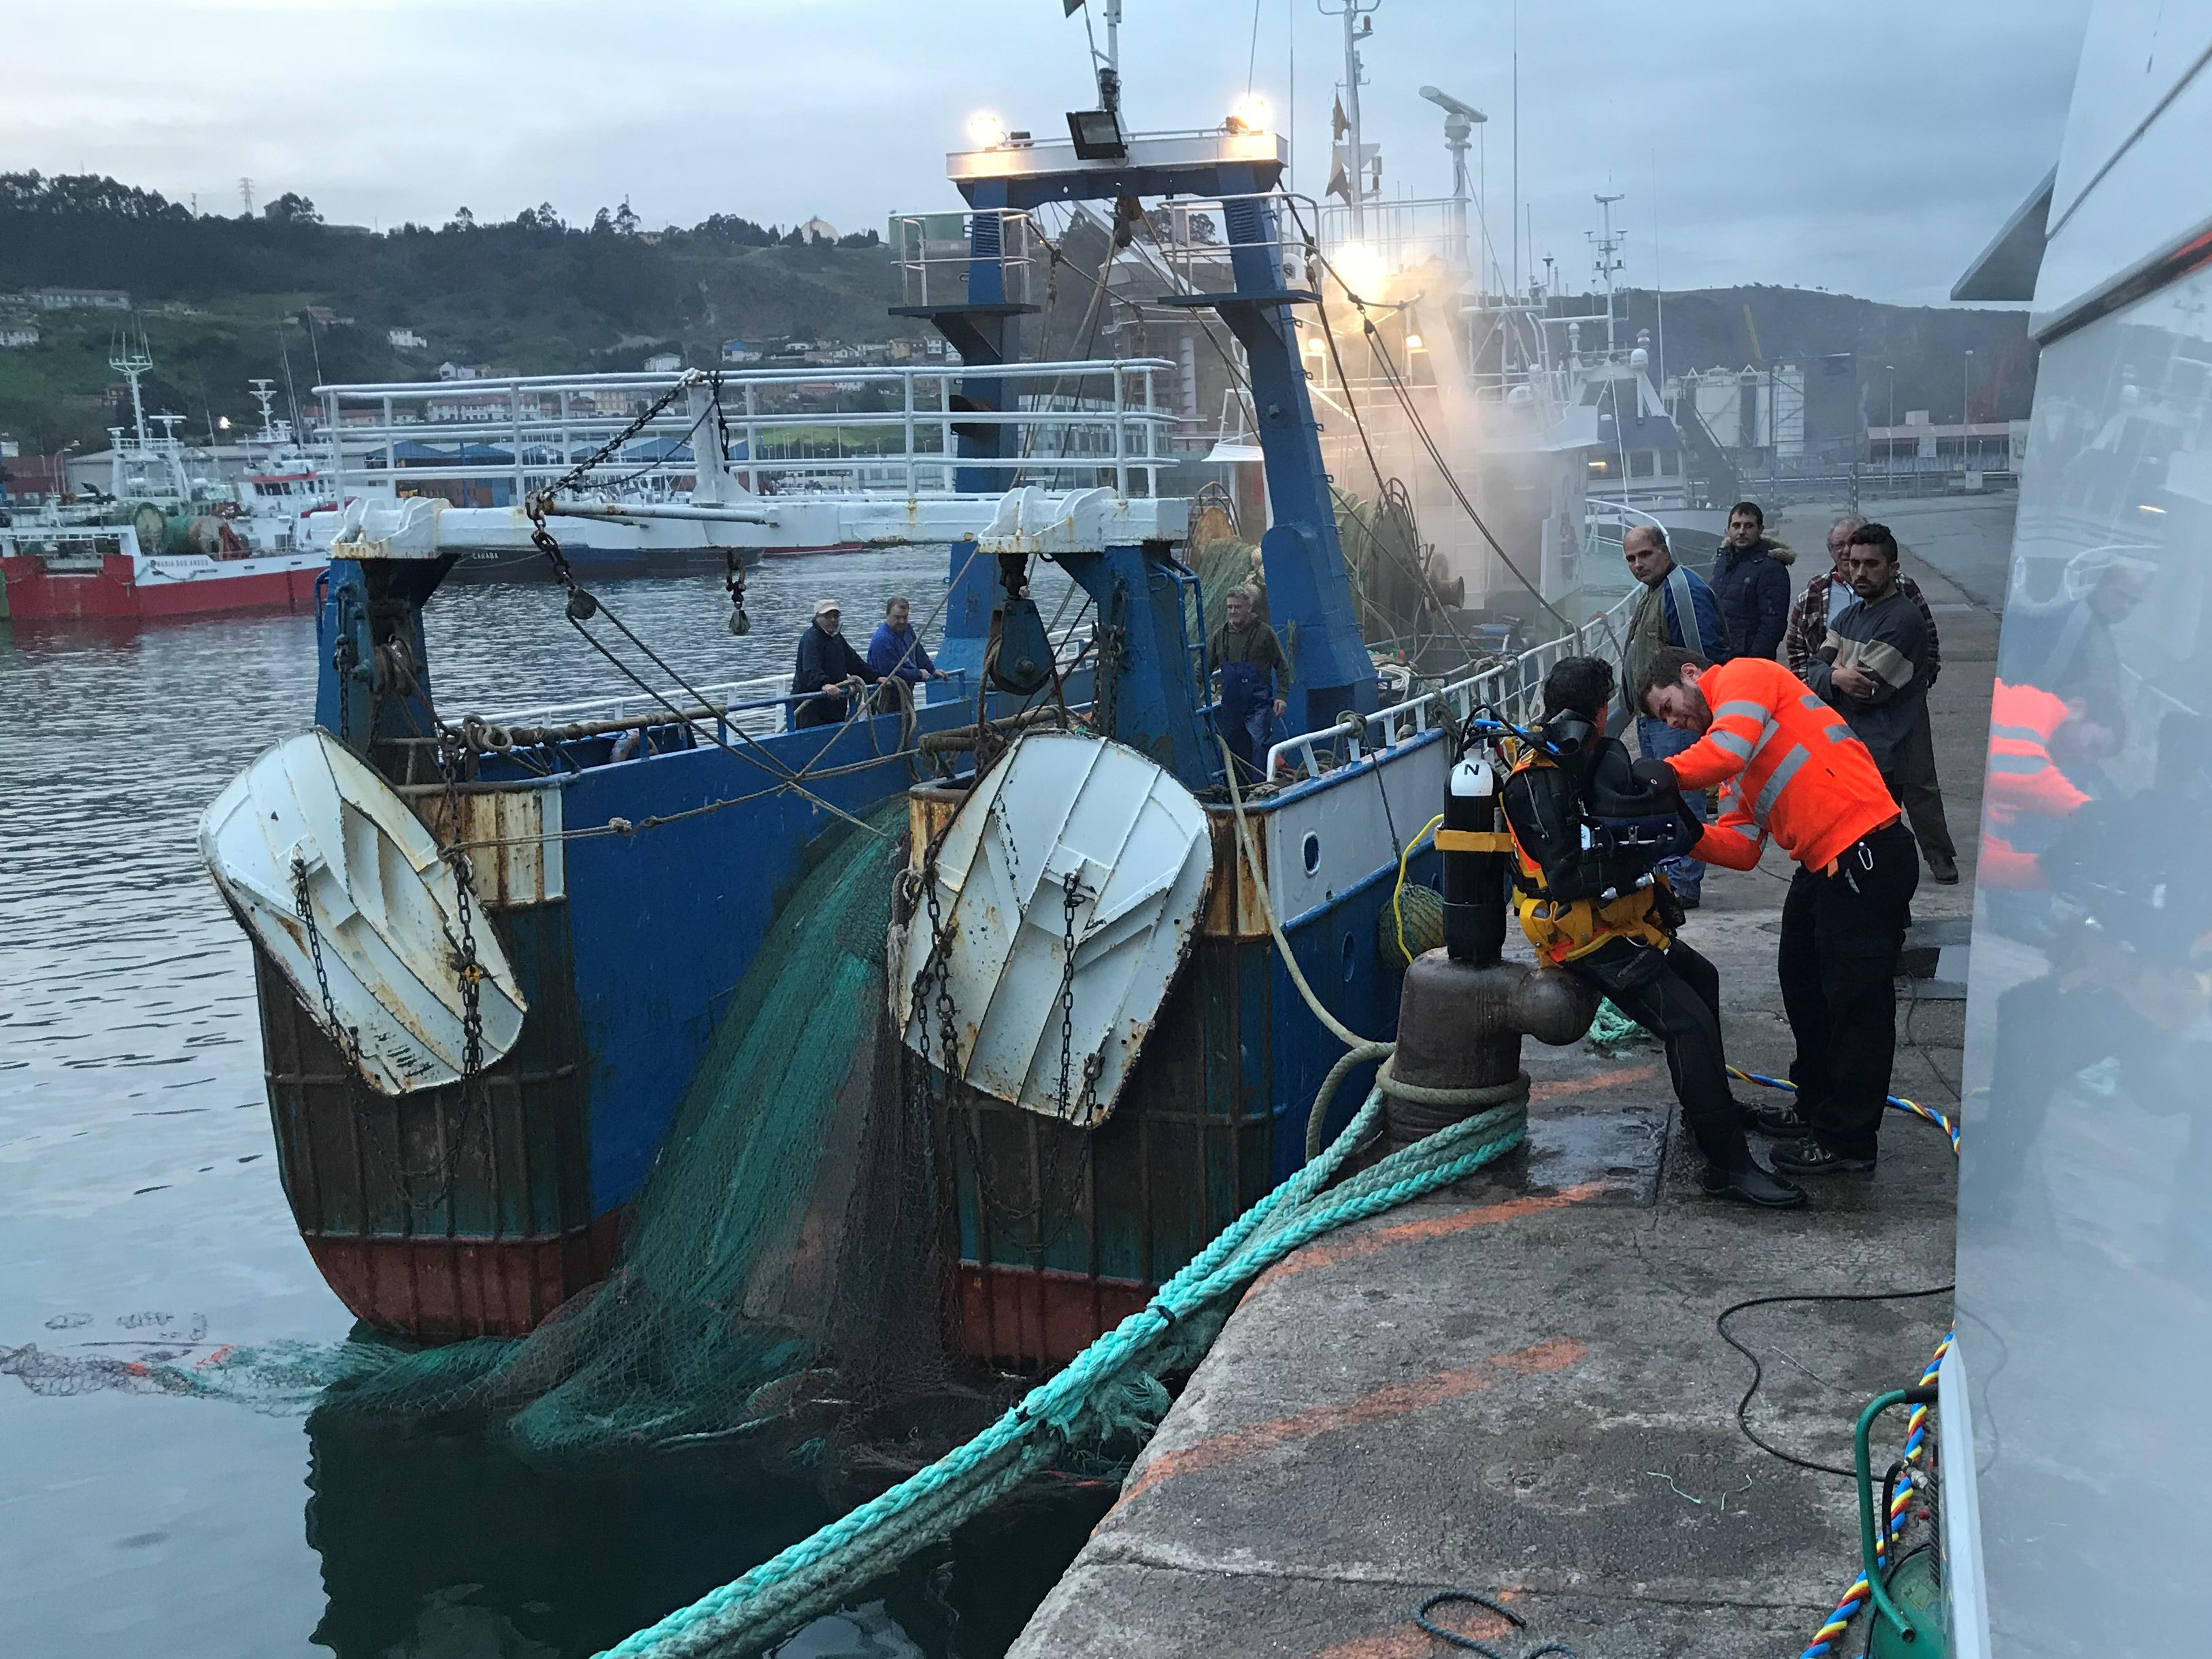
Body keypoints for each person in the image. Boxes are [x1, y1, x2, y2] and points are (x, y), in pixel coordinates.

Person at [1503, 656, 1804, 1208]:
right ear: (1599, 713)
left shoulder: (1587, 758)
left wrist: (1655, 829)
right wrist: (1642, 849)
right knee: (1684, 1022)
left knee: (1702, 979)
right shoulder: (1538, 776)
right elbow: (1566, 872)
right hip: (1580, 937)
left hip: (1616, 920)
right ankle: (1729, 1165)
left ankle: (1708, 1112)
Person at [1637, 645, 1918, 1177]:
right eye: (1663, 719)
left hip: (1865, 848)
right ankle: (1815, 1106)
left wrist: (1655, 778)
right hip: (1825, 862)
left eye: (1669, 706)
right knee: (1804, 984)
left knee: (1855, 1004)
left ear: (1691, 674)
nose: (1673, 722)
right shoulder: (1735, 754)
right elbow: (1743, 848)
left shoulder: (1744, 678)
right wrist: (1685, 833)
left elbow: (1725, 752)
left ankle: (1849, 1139)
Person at [1804, 522, 1959, 883]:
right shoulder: (1848, 617)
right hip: (1860, 744)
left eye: (1871, 564)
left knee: (1908, 812)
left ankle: (1936, 862)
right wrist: (1836, 675)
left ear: (1893, 568)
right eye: (1854, 563)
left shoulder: (1903, 620)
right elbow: (1814, 670)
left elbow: (1868, 689)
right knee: (1868, 835)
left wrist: (1834, 673)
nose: (1860, 572)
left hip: (1896, 742)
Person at [1622, 523, 1728, 908]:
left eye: (1645, 555)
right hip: (1655, 717)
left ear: (1664, 550)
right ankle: (1673, 878)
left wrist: (1703, 715)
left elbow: (1701, 658)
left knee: (1684, 795)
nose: (1638, 565)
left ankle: (1685, 883)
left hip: (1679, 716)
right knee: (1663, 796)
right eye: (1631, 559)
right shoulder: (1655, 591)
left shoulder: (1681, 590)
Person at [1784, 515, 1942, 688]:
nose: (1846, 550)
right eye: (1839, 545)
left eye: (1852, 543)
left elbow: (1929, 640)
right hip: (1825, 704)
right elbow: (1797, 650)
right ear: (1830, 550)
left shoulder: (1903, 590)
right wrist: (1816, 690)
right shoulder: (1814, 594)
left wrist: (1919, 684)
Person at [1211, 584, 1291, 780]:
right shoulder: (1220, 636)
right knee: (1234, 751)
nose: (1232, 611)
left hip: (1258, 706)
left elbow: (1282, 666)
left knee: (1259, 746)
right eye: (1229, 607)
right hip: (1231, 707)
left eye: (1237, 607)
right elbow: (1204, 666)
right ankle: (1238, 792)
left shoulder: (1264, 634)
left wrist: (1282, 696)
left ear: (1249, 608)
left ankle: (1261, 789)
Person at [1709, 500, 1792, 664]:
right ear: (1728, 530)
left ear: (1760, 530)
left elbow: (1773, 624)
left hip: (1749, 659)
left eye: (1748, 526)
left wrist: (1755, 662)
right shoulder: (1723, 563)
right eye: (1736, 525)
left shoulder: (1771, 568)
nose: (1741, 531)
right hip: (1720, 656)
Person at [791, 599, 878, 730]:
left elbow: (854, 662)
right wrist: (823, 684)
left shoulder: (837, 638)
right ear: (818, 617)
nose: (833, 620)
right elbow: (811, 668)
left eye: (836, 616)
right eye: (828, 616)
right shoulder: (811, 639)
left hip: (835, 704)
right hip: (811, 709)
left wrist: (875, 677)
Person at [866, 595, 948, 687]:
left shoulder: (907, 629)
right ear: (888, 615)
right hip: (886, 693)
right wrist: (919, 674)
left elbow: (918, 652)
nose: (902, 621)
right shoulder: (882, 641)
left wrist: (932, 670)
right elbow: (891, 672)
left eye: (905, 617)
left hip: (905, 691)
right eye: (897, 617)